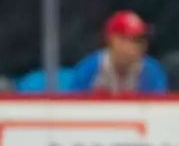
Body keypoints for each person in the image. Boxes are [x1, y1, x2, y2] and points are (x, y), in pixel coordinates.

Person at [19, 10, 167, 93]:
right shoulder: (91, 67)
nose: (137, 46)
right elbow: (73, 105)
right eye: (130, 39)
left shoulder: (152, 70)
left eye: (141, 40)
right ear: (113, 40)